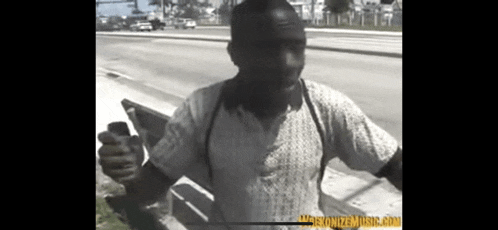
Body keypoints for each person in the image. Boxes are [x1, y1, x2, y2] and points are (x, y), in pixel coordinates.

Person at [97, 0, 402, 229]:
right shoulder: (202, 110)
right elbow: (146, 190)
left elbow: (392, 163)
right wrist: (130, 171)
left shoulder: (328, 107)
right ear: (234, 53)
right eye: (265, 49)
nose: (286, 63)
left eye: (296, 47)